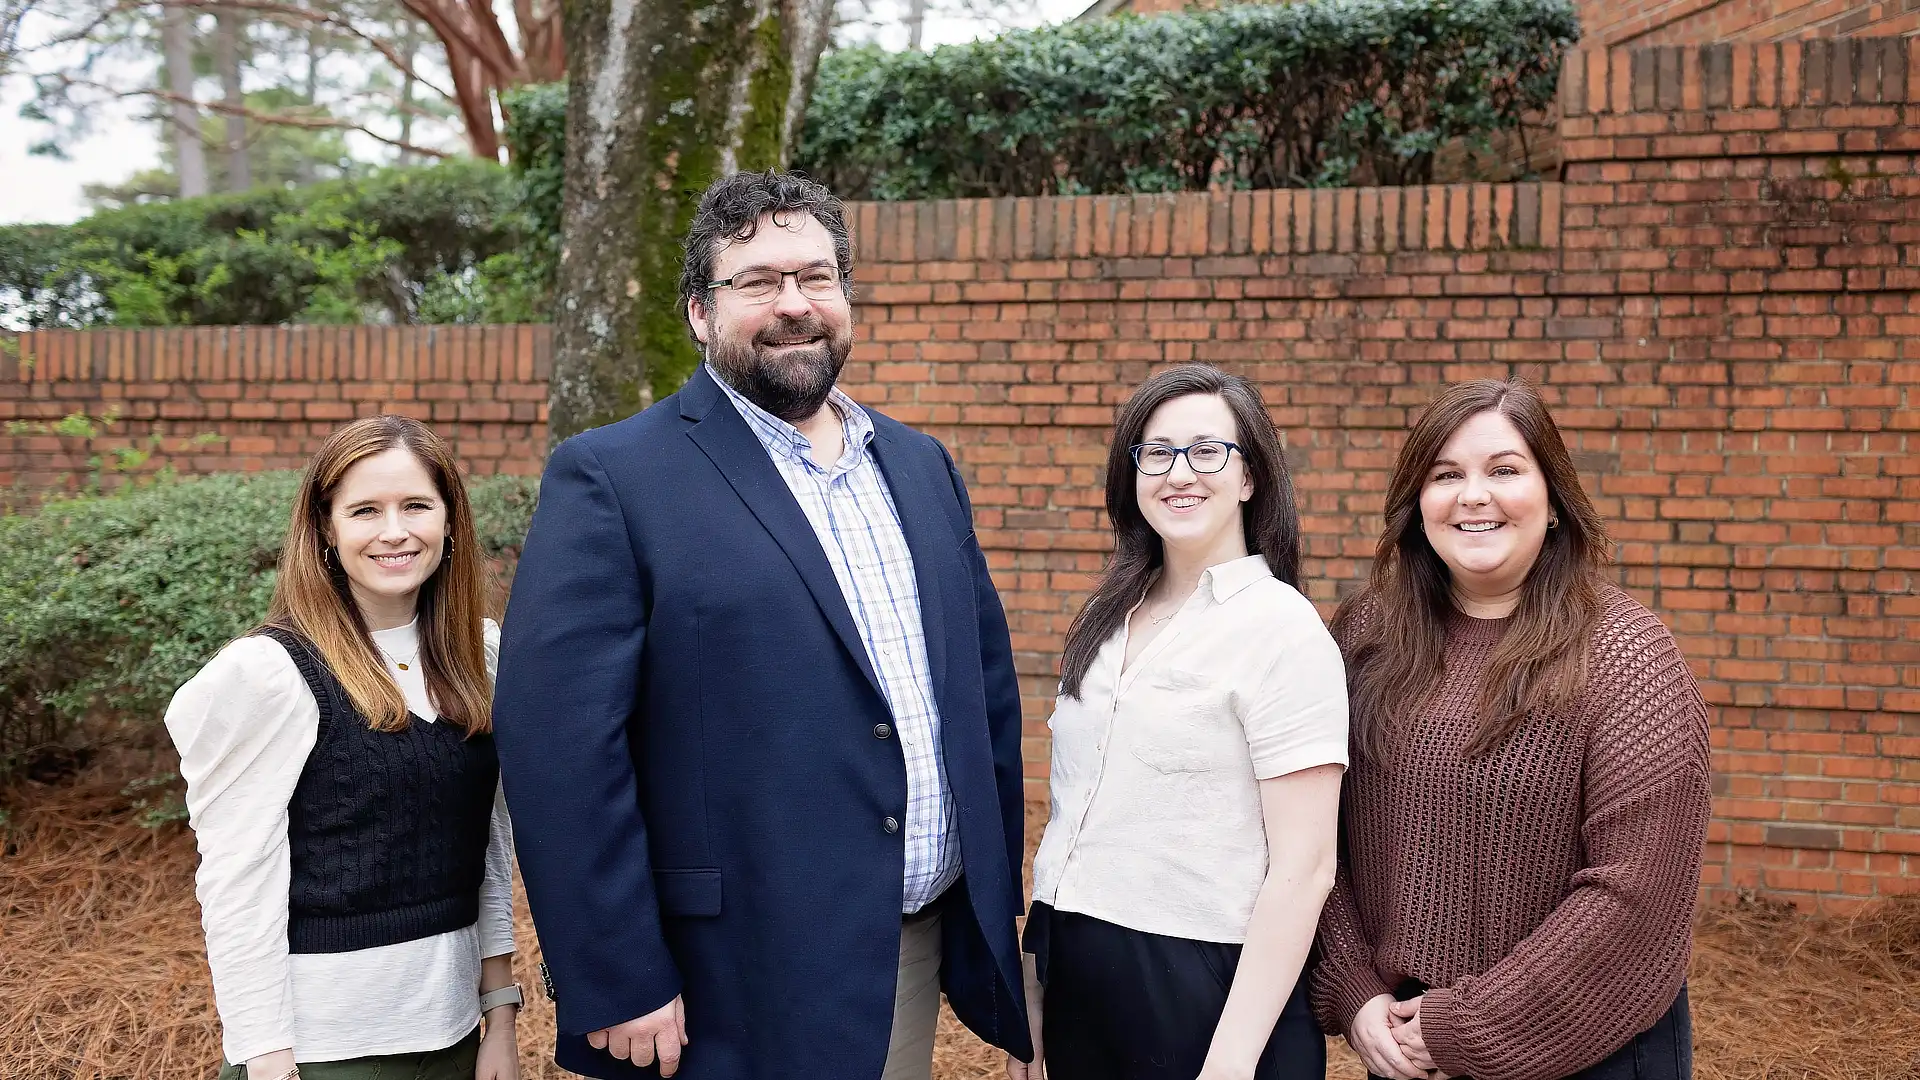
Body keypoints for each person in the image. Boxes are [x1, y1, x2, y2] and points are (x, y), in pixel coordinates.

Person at [490, 170, 1031, 1080]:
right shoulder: (613, 478)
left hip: (911, 953)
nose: (794, 305)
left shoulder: (920, 464)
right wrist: (616, 973)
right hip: (724, 983)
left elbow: (983, 693)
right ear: (701, 312)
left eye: (816, 277)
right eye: (757, 282)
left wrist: (999, 912)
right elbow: (561, 748)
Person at [1311, 378, 1712, 1080]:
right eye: (1446, 475)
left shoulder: (1625, 654)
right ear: (1418, 504)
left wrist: (1465, 1026)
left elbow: (1635, 892)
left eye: (1504, 470)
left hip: (1592, 1047)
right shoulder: (1364, 641)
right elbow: (1309, 839)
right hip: (1404, 1044)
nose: (1473, 495)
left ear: (1554, 502)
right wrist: (1355, 990)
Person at [1013, 364, 1348, 1080]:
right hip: (1079, 982)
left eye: (1206, 450)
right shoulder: (1107, 622)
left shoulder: (1281, 630)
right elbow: (1073, 826)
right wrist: (1035, 1006)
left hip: (1211, 998)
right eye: (1156, 452)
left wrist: (1227, 1065)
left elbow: (1306, 868)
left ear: (1251, 475)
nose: (1178, 473)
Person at [166, 415, 523, 1080]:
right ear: (326, 529)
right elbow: (237, 885)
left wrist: (499, 1013)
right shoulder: (270, 674)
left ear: (450, 521)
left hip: (454, 1042)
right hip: (326, 1053)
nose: (394, 531)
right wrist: (268, 1061)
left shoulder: (481, 655)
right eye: (365, 510)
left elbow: (489, 848)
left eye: (416, 505)